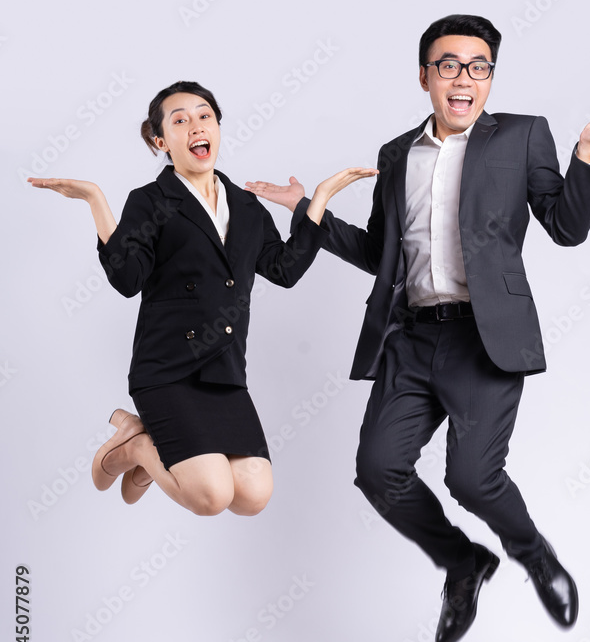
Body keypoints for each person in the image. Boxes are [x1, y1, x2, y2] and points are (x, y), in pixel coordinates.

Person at [246, 15, 590, 642]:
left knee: (472, 479)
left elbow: (566, 229)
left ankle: (533, 554)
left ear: (490, 77)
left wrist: (588, 153)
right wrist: (308, 211)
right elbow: (379, 250)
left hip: (483, 339)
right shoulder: (396, 153)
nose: (465, 78)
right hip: (409, 337)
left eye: (479, 65)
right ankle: (463, 562)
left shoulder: (521, 137)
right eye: (449, 65)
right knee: (379, 471)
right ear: (424, 76)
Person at [29, 81, 376, 517]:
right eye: (180, 120)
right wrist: (97, 200)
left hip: (225, 371)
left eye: (204, 115)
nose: (195, 125)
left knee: (252, 497)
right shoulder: (151, 201)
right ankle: (136, 446)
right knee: (211, 496)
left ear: (217, 127)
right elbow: (127, 279)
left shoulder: (247, 206)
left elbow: (284, 271)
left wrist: (317, 200)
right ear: (162, 142)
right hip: (168, 369)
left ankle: (144, 443)